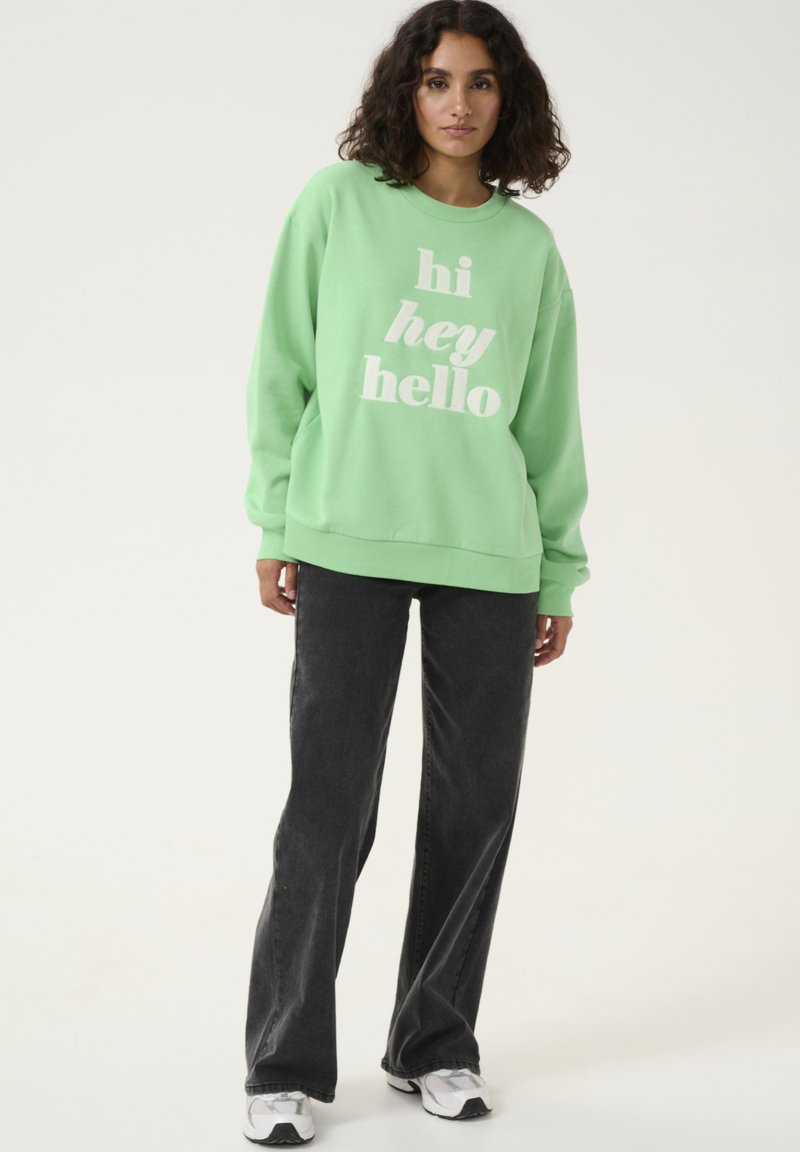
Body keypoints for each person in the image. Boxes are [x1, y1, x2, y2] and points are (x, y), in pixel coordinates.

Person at [241, 1, 591, 1143]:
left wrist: (555, 570)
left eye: (481, 82)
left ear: (507, 100)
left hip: (488, 556)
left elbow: (547, 423)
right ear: (405, 90)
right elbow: (283, 368)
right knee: (328, 808)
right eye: (437, 79)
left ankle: (434, 1045)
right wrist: (276, 518)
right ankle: (286, 1064)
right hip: (345, 540)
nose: (457, 102)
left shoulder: (527, 250)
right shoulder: (337, 204)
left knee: (473, 808)